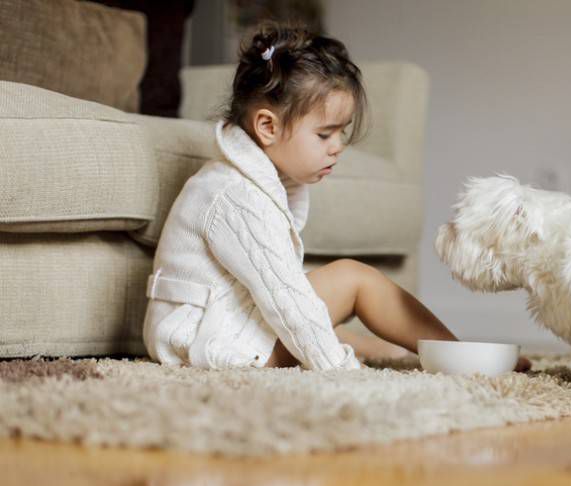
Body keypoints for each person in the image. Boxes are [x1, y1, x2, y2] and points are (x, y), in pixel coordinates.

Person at [143, 23, 461, 370]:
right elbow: (286, 300)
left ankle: (384, 348)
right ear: (267, 127)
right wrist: (337, 368)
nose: (338, 147)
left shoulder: (255, 179)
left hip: (215, 325)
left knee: (323, 308)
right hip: (209, 341)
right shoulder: (235, 195)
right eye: (324, 134)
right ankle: (463, 354)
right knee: (355, 280)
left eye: (343, 132)